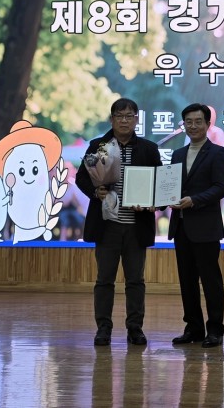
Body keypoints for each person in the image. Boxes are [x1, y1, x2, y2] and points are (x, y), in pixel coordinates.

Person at [76, 98, 162, 347]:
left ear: (137, 119)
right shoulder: (99, 146)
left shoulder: (148, 148)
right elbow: (82, 178)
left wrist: (154, 202)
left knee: (135, 281)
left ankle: (135, 329)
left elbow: (160, 184)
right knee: (104, 280)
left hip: (137, 225)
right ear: (111, 119)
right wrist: (96, 192)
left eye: (129, 116)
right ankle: (103, 329)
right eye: (119, 116)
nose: (124, 120)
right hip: (107, 225)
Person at [169, 103, 224, 348]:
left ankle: (215, 330)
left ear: (208, 124)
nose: (193, 126)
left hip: (205, 227)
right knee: (187, 281)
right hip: (181, 227)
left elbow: (221, 188)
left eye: (198, 121)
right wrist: (158, 202)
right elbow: (170, 188)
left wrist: (195, 200)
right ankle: (193, 328)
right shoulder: (177, 154)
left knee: (210, 281)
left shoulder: (217, 153)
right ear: (183, 124)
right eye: (188, 121)